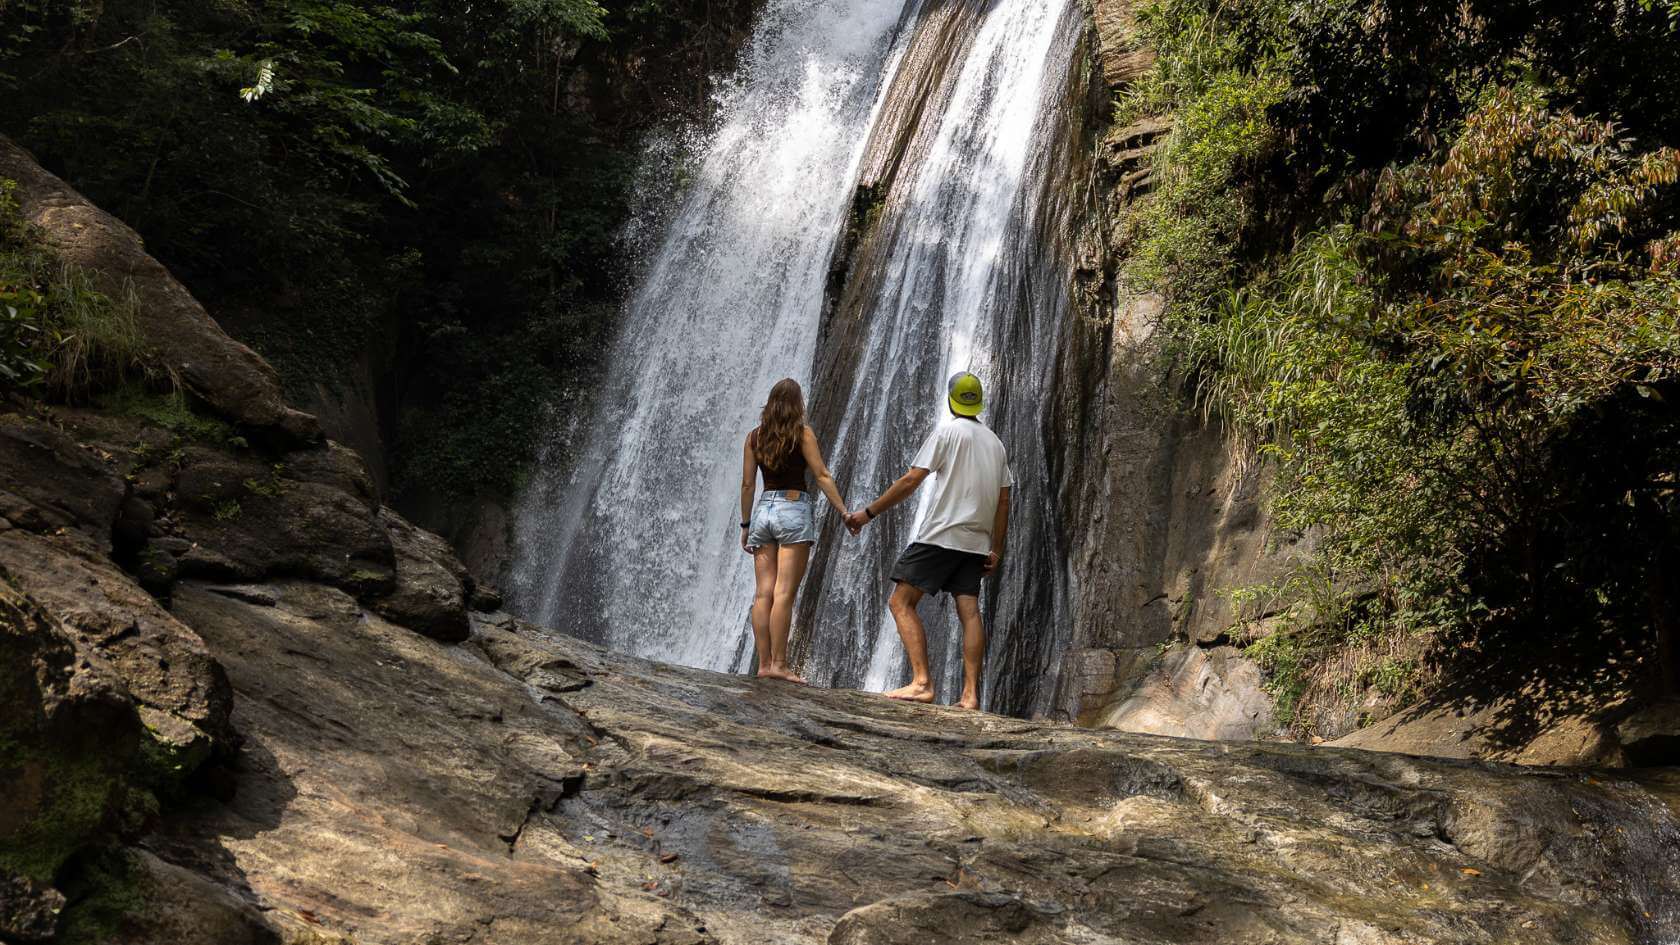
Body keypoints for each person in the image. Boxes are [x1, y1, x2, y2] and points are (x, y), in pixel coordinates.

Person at [844, 371, 1012, 709]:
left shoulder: (947, 432)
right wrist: (996, 547)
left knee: (900, 602)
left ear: (951, 400)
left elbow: (911, 480)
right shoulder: (995, 443)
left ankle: (922, 682)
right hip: (976, 541)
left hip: (940, 535)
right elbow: (1004, 499)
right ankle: (969, 696)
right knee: (969, 611)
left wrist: (869, 513)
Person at [740, 378, 849, 683]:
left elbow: (748, 484)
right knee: (784, 592)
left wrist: (746, 524)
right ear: (797, 404)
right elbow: (822, 475)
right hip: (793, 509)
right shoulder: (802, 434)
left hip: (764, 511)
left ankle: (763, 664)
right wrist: (842, 510)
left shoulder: (754, 437)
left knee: (763, 593)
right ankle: (779, 664)